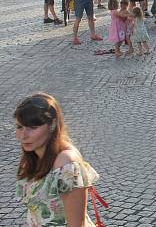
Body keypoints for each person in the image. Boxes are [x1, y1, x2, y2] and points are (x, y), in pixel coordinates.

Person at [14, 93, 103, 227]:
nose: (23, 136)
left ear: (53, 124)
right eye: (19, 127)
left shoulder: (66, 163)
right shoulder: (33, 156)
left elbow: (77, 224)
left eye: (33, 128)